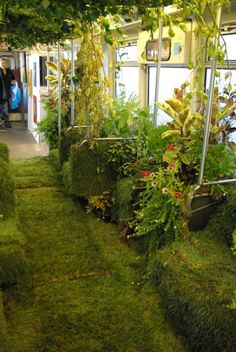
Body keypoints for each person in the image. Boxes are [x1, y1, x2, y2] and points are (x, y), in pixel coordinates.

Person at [0, 57, 16, 128]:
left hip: (6, 92)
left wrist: (13, 82)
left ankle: (5, 122)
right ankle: (4, 122)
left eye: (4, 63)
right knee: (4, 109)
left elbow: (13, 79)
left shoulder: (9, 71)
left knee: (6, 108)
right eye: (2, 63)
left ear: (6, 64)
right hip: (0, 91)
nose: (3, 64)